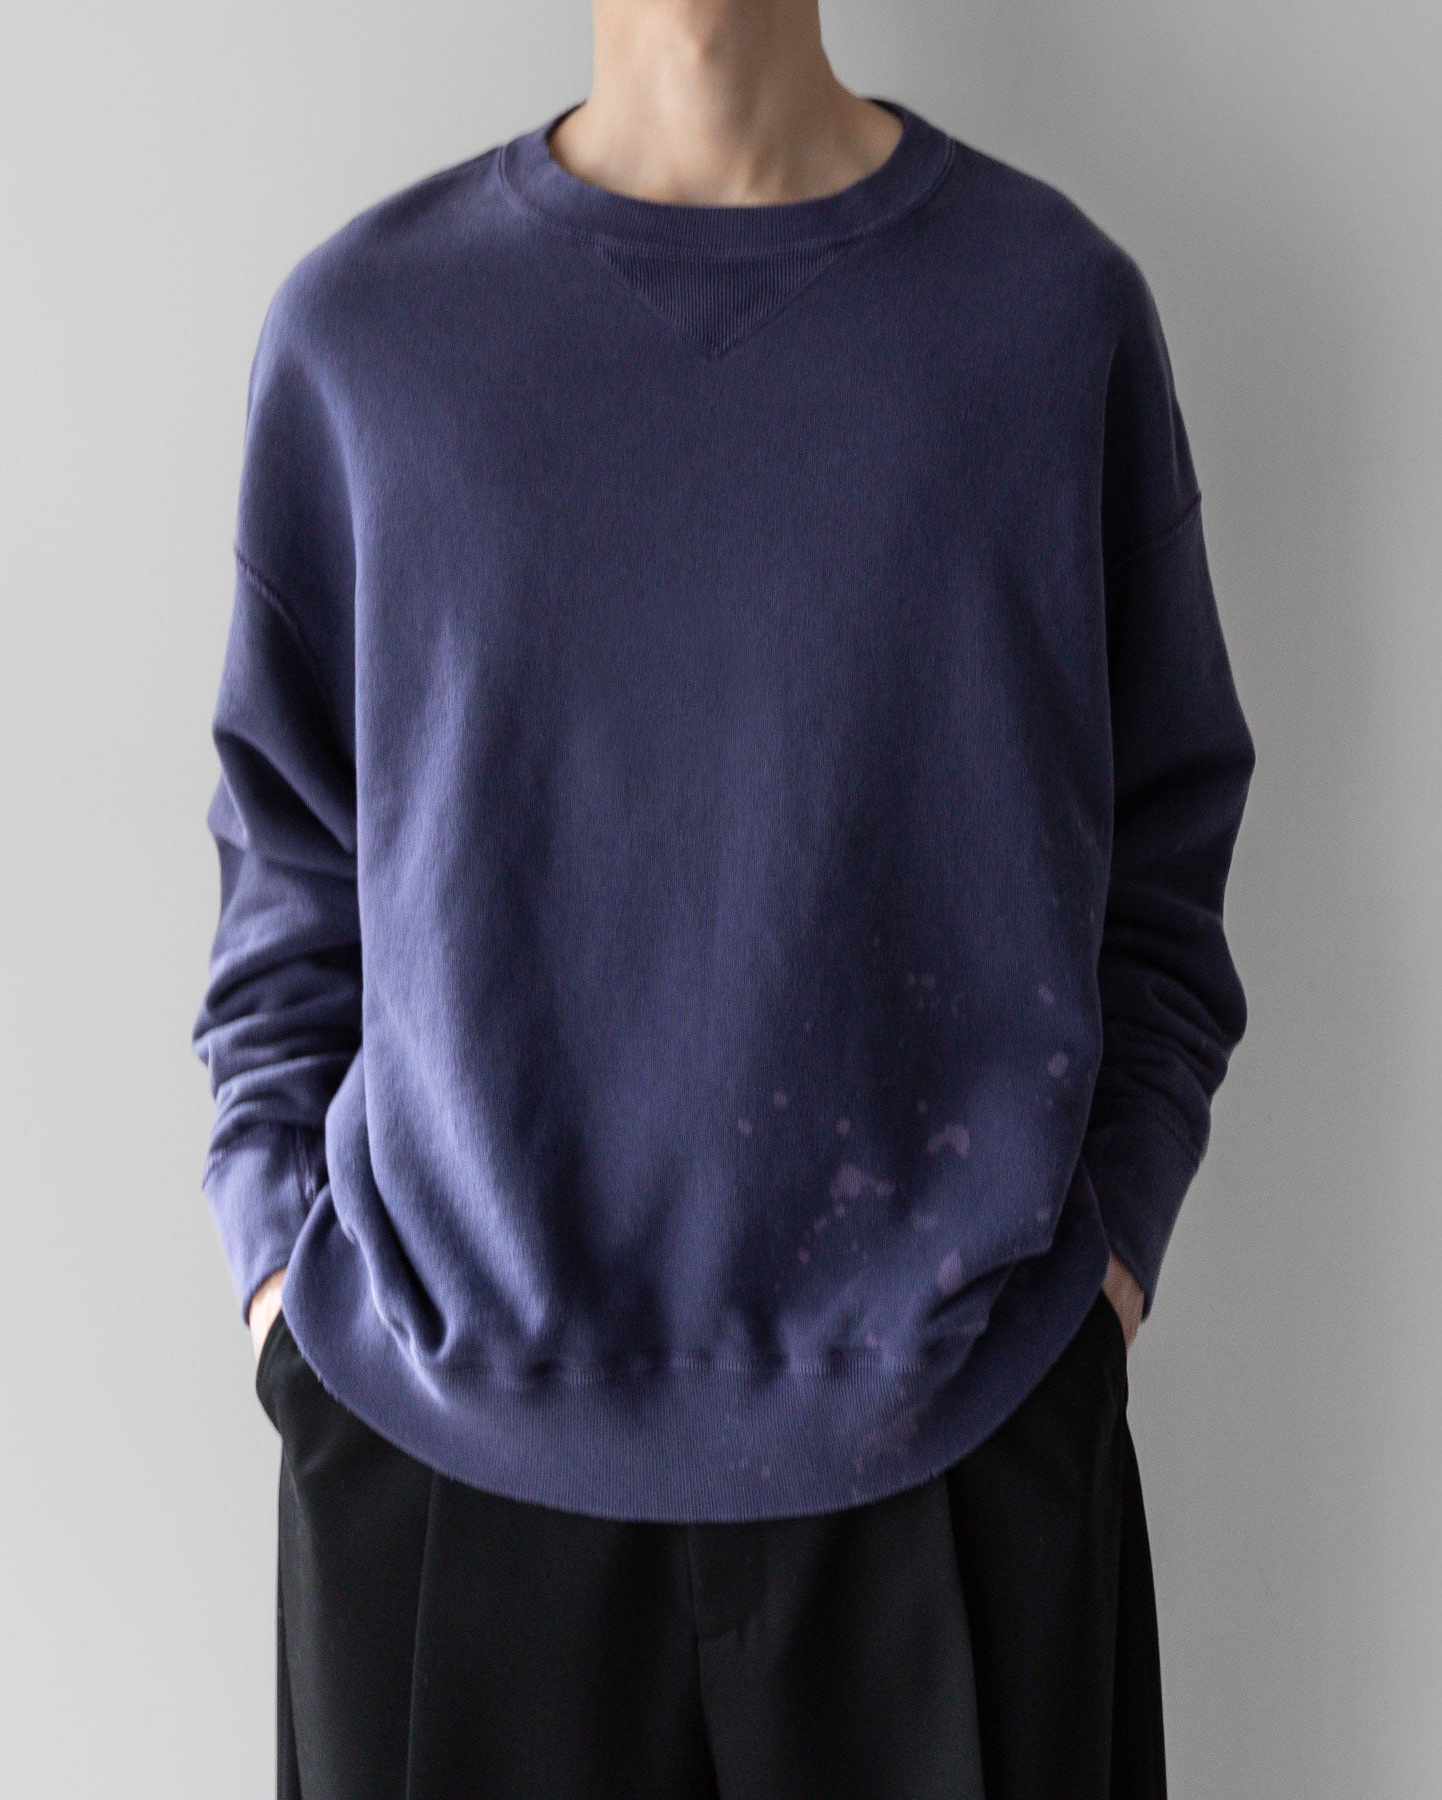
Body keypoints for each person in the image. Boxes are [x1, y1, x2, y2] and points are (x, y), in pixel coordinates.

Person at [191, 2, 1255, 1794]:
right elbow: (285, 876)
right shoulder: (365, 338)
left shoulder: (1048, 317)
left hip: (960, 1450)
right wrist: (280, 1285)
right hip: (439, 1476)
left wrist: (1104, 1284)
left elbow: (1162, 847)